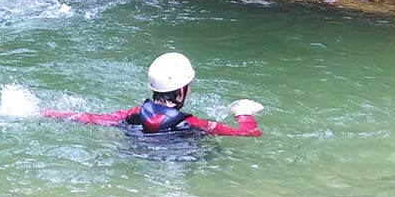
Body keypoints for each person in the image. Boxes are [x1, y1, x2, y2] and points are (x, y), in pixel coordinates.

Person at [41, 51, 264, 136]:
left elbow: (90, 119)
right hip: (177, 163)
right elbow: (248, 133)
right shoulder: (194, 124)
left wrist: (44, 112)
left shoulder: (134, 114)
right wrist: (243, 113)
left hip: (139, 158)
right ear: (182, 90)